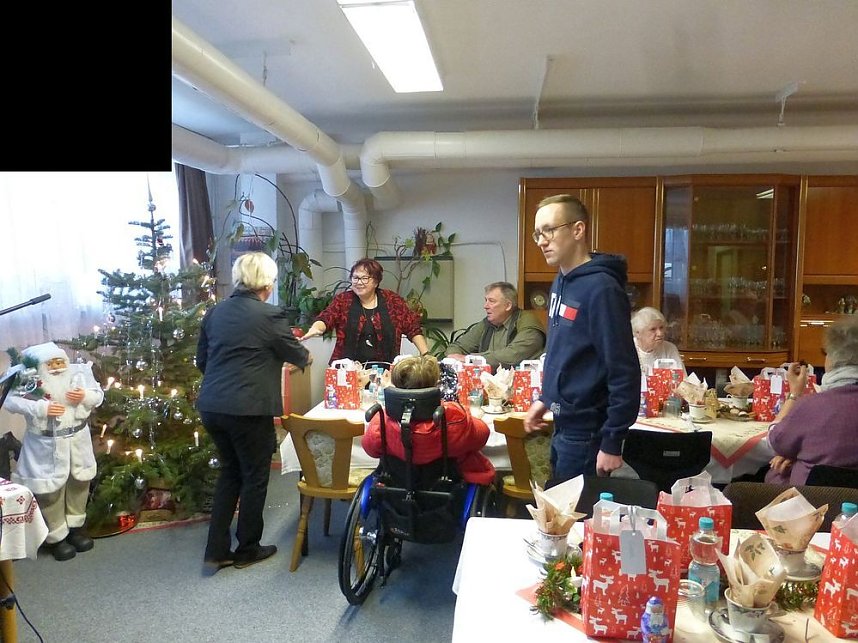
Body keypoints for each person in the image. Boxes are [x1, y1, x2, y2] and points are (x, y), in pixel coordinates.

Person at [196, 252, 310, 574]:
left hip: (213, 406)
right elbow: (298, 356)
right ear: (266, 282)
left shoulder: (215, 313)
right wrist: (304, 355)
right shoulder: (269, 315)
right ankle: (247, 548)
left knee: (230, 472)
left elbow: (202, 362)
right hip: (248, 410)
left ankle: (216, 550)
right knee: (256, 476)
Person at [523, 194, 640, 482]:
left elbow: (623, 370)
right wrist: (546, 399)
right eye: (537, 233)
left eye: (549, 230)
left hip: (589, 433)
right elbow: (564, 352)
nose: (541, 241)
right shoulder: (561, 281)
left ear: (578, 230)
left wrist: (612, 441)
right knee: (557, 513)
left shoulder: (602, 289)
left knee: (575, 521)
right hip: (563, 425)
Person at [5, 342, 104, 561]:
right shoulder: (27, 376)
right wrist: (41, 408)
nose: (58, 367)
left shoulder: (79, 373)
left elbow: (98, 394)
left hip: (78, 440)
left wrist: (85, 396)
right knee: (50, 491)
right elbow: (11, 402)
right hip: (46, 444)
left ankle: (76, 527)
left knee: (79, 483)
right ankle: (57, 536)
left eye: (61, 362)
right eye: (52, 364)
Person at [362, 355, 495, 485]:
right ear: (436, 383)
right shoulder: (452, 416)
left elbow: (370, 449)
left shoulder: (383, 419)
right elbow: (482, 436)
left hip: (397, 484)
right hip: (445, 485)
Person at [765, 316, 858, 486]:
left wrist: (794, 394)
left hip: (810, 505)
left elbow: (775, 441)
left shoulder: (812, 407)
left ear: (832, 358)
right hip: (849, 505)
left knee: (772, 474)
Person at [299, 258, 430, 364]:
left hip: (385, 372)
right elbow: (326, 318)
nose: (359, 282)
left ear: (376, 281)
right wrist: (315, 329)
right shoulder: (343, 301)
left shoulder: (392, 300)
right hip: (347, 370)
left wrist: (426, 355)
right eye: (355, 278)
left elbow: (412, 328)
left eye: (365, 278)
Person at [445, 281, 546, 370]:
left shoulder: (528, 322)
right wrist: (453, 357)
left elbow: (512, 356)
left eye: (492, 301)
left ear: (508, 305)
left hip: (521, 386)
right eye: (486, 300)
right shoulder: (487, 324)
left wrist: (470, 359)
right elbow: (457, 346)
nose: (485, 306)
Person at [631, 306, 686, 375]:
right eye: (653, 329)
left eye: (661, 328)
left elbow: (681, 380)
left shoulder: (670, 348)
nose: (660, 333)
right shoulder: (627, 350)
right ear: (638, 333)